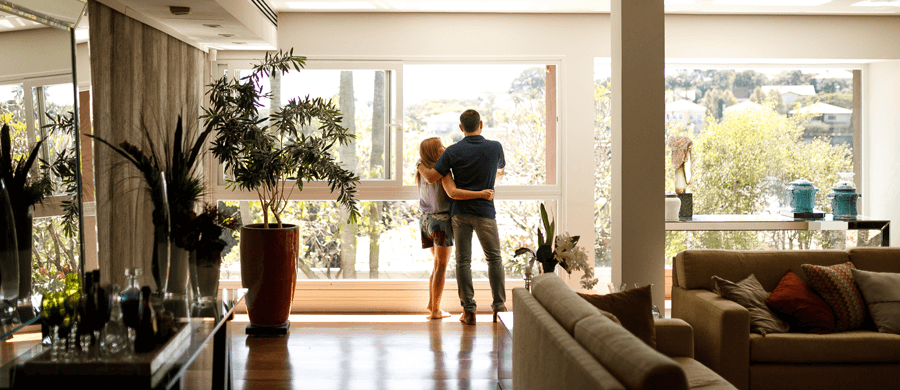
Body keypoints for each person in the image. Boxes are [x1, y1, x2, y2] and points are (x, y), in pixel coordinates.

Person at [418, 109, 506, 325]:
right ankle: (499, 308)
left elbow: (432, 176)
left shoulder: (452, 152)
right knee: (494, 259)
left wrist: (419, 165)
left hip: (459, 215)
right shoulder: (495, 147)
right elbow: (500, 171)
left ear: (460, 127)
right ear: (481, 124)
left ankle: (468, 311)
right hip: (485, 212)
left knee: (462, 262)